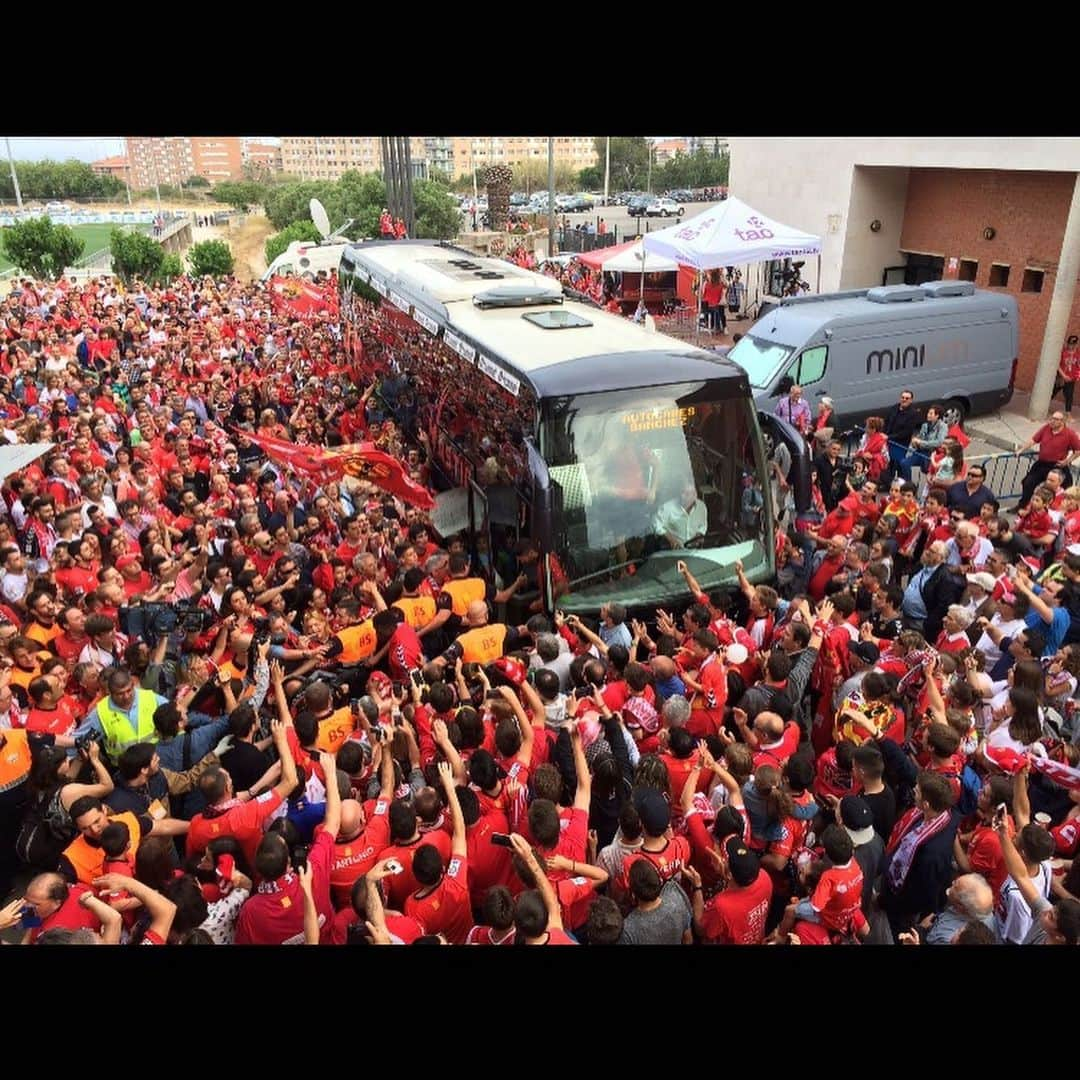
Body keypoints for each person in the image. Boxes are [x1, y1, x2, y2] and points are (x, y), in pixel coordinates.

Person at [1017, 410, 1080, 505]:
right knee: (1028, 483)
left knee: (1067, 486)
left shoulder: (1070, 434)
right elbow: (1033, 440)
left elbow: (1078, 451)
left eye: (1055, 419)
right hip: (1042, 463)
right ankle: (1023, 505)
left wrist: (1067, 461)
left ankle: (1062, 507)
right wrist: (1021, 450)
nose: (1052, 421)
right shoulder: (1046, 428)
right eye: (1051, 418)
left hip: (1057, 465)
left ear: (1062, 422)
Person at [653, 480, 707, 549]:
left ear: (695, 495)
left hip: (694, 550)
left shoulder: (701, 507)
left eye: (687, 494)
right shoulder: (668, 507)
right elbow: (655, 524)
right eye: (682, 492)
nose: (682, 496)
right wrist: (670, 538)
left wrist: (699, 535)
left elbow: (703, 525)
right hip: (673, 551)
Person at [1056, 333, 1080, 416]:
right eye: (1070, 344)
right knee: (1053, 392)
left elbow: (1078, 367)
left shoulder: (1078, 354)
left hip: (1070, 379)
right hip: (1061, 377)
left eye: (1074, 344)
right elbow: (1057, 365)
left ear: (1077, 344)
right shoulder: (1063, 353)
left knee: (1069, 395)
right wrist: (1063, 375)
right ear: (1067, 343)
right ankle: (1044, 406)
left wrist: (1076, 376)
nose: (1072, 346)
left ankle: (1068, 414)